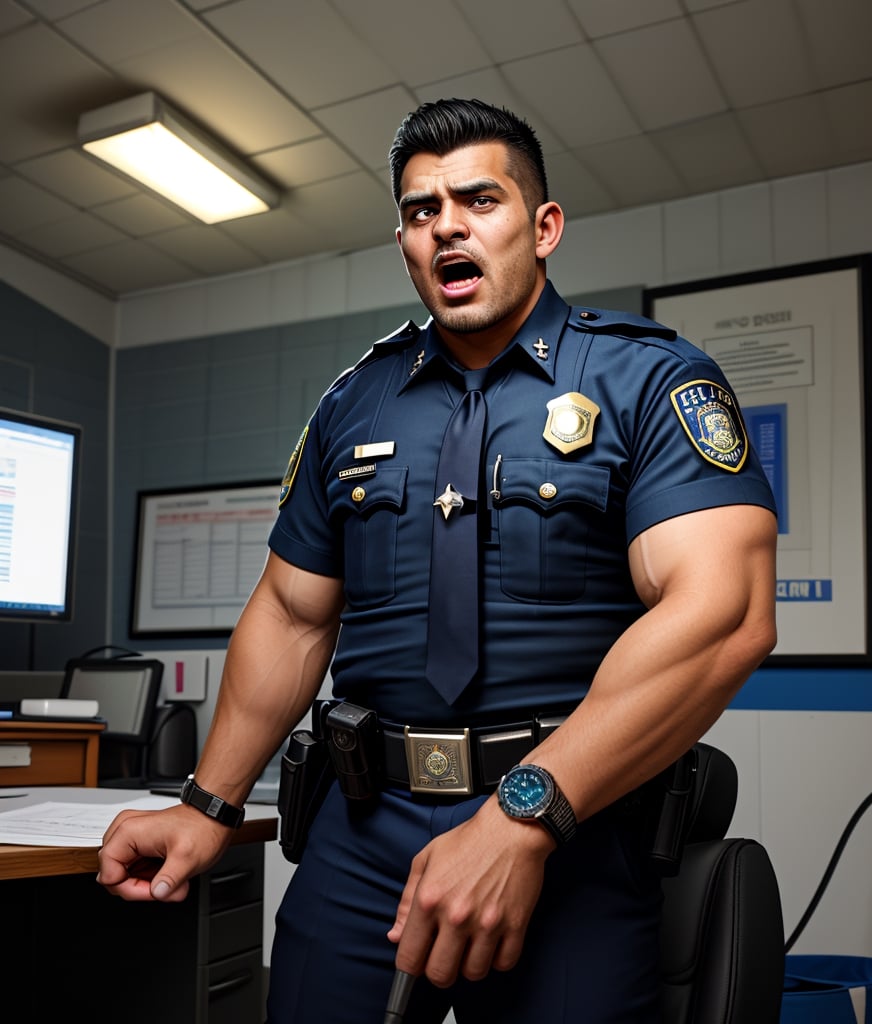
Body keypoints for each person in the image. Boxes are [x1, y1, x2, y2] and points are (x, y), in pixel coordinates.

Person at [97, 98, 778, 1023]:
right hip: (360, 830)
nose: (447, 225)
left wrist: (521, 819)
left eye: (479, 200)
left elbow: (722, 615)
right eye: (422, 211)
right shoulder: (352, 405)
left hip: (567, 828)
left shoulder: (648, 380)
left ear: (544, 228)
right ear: (407, 242)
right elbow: (294, 614)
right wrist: (206, 807)